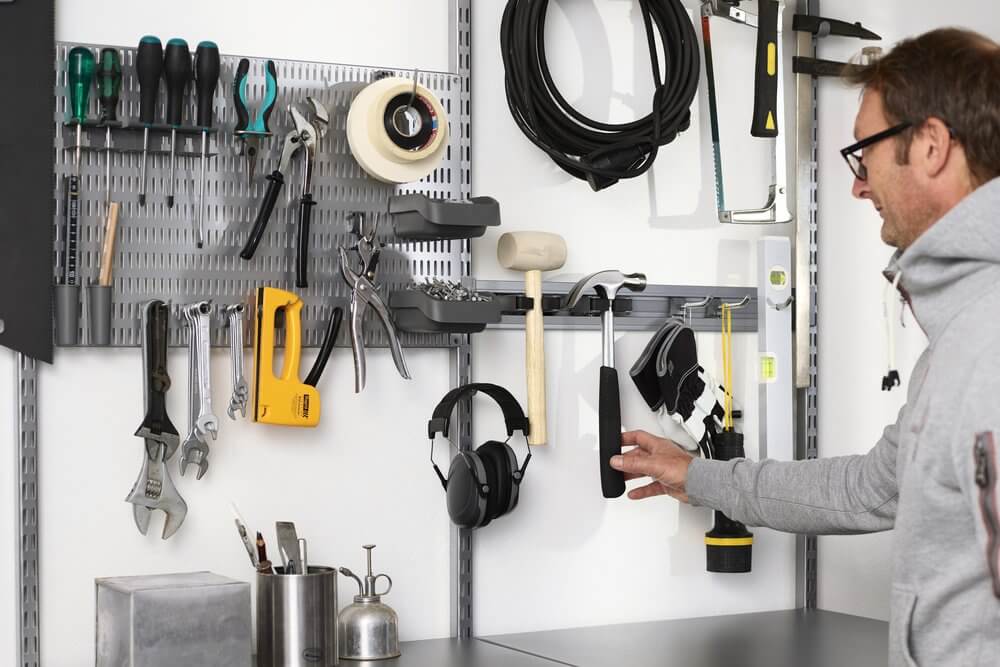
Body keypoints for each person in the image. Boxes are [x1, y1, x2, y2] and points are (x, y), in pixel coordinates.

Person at [610, 28, 1000, 667]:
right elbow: (873, 488)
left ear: (930, 146)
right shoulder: (957, 343)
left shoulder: (989, 343)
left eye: (865, 152)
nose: (858, 184)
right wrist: (701, 476)